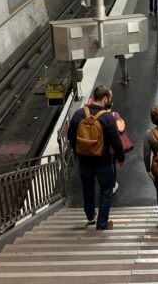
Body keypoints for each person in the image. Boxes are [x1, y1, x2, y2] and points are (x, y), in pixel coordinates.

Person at [68, 86, 124, 230]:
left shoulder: (78, 114)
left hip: (85, 161)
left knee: (87, 188)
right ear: (105, 99)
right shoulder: (107, 118)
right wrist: (121, 158)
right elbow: (117, 142)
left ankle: (90, 216)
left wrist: (79, 151)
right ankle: (101, 225)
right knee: (106, 191)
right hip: (103, 161)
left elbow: (70, 137)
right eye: (109, 98)